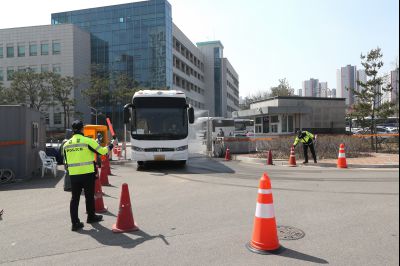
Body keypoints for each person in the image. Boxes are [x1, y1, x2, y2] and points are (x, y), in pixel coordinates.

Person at [63, 120, 113, 231]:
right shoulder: (88, 141)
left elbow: (66, 161)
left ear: (73, 130)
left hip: (74, 175)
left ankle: (75, 223)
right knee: (89, 196)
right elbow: (103, 151)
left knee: (74, 199)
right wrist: (111, 145)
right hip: (87, 174)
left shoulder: (66, 144)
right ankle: (91, 217)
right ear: (82, 129)